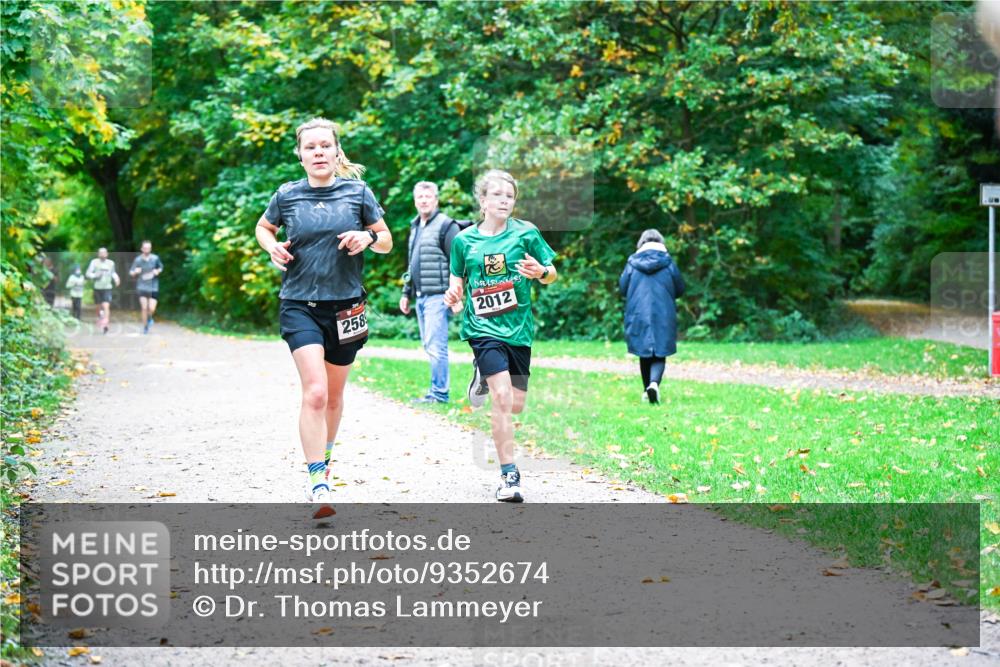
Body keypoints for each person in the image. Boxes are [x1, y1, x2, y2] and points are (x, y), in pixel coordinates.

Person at [254, 117, 392, 512]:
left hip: (346, 307)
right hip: (299, 304)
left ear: (336, 152)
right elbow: (263, 228)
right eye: (310, 147)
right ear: (300, 155)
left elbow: (386, 240)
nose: (318, 152)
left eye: (325, 146)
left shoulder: (358, 192)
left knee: (333, 396)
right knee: (315, 391)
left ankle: (325, 459)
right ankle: (318, 480)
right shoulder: (287, 195)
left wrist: (368, 236)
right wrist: (271, 246)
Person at [443, 169, 557, 502]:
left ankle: (483, 373)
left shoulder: (527, 233)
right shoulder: (464, 241)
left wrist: (541, 272)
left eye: (510, 196)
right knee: (502, 398)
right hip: (482, 327)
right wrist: (454, 295)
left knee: (516, 405)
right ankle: (509, 475)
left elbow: (551, 272)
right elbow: (456, 280)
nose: (504, 201)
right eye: (497, 195)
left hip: (518, 329)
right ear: (483, 201)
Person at [399, 181, 462, 404]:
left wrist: (457, 294)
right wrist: (406, 292)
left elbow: (459, 262)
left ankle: (439, 394)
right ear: (415, 201)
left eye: (428, 196)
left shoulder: (447, 225)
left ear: (436, 200)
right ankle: (435, 392)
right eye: (420, 197)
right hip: (420, 296)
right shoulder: (415, 226)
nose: (424, 200)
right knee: (429, 345)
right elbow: (412, 263)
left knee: (436, 346)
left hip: (439, 296)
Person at [618, 229, 686, 405]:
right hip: (664, 313)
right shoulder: (668, 262)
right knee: (660, 351)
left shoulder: (632, 263)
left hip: (638, 313)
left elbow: (623, 288)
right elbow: (680, 288)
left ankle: (646, 390)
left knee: (644, 352)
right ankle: (654, 384)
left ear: (641, 243)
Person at [129, 240, 164, 334]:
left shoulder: (155, 258)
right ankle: (145, 327)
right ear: (141, 249)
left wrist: (157, 271)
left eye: (148, 248)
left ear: (151, 248)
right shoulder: (138, 260)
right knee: (144, 307)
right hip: (142, 287)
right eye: (145, 248)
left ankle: (149, 318)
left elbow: (161, 267)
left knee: (151, 308)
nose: (147, 250)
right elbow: (131, 272)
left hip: (153, 287)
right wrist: (135, 272)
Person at [85, 247, 120, 334]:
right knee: (98, 308)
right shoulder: (94, 262)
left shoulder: (111, 263)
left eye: (104, 253)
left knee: (106, 306)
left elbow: (113, 273)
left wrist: (116, 278)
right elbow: (88, 273)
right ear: (98, 254)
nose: (102, 254)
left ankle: (105, 324)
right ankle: (101, 316)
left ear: (107, 254)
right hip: (97, 288)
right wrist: (95, 275)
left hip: (107, 287)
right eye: (101, 253)